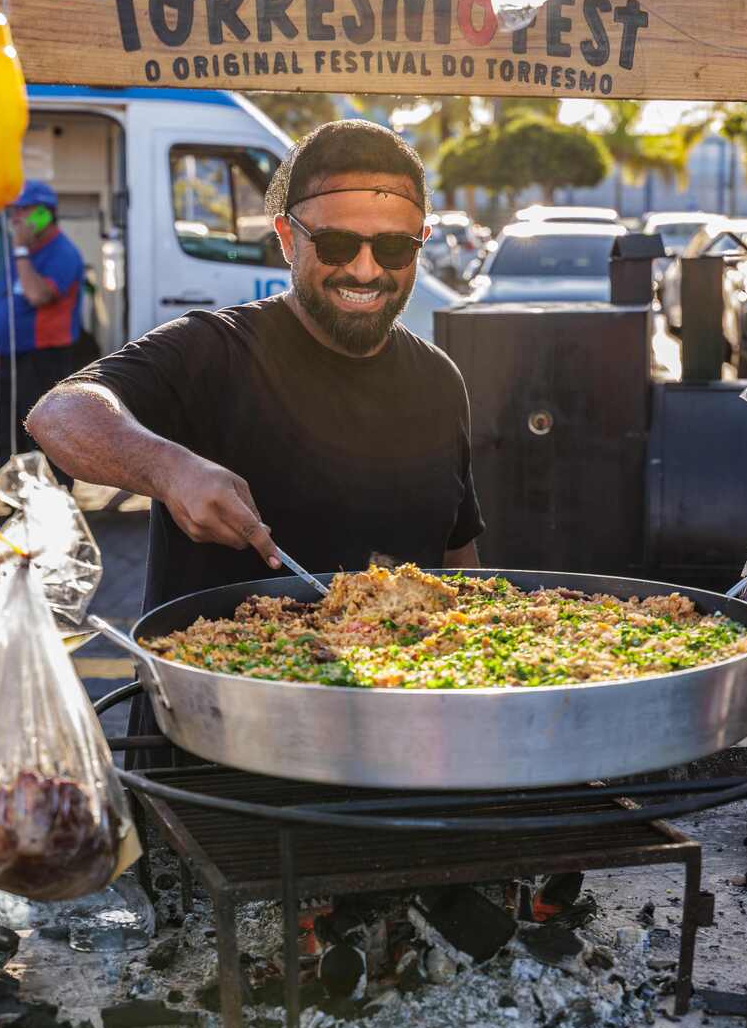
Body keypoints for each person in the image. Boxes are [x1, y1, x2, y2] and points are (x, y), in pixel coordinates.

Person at [27, 120, 484, 743]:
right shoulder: (213, 349)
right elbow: (60, 414)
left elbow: (459, 562)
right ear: (286, 238)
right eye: (336, 245)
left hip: (396, 746)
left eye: (396, 249)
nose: (366, 270)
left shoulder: (438, 379)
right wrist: (170, 469)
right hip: (218, 743)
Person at [0, 180, 86, 468]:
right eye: (13, 211)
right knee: (8, 434)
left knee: (43, 435)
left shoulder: (62, 253)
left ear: (44, 214)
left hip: (43, 357)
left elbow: (37, 295)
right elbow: (5, 302)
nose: (14, 218)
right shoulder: (23, 254)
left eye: (23, 210)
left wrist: (20, 250)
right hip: (10, 357)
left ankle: (55, 499)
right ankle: (16, 501)